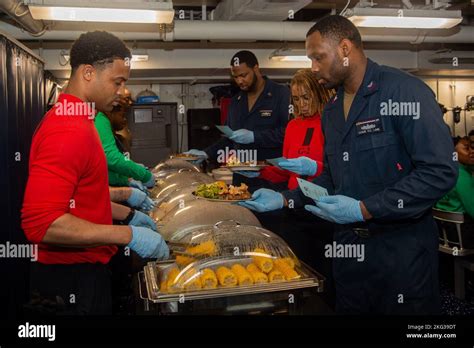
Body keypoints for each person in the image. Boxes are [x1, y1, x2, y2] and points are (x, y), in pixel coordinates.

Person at [240, 15, 458, 314]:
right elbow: (332, 176)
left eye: (319, 57)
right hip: (348, 252)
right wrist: (285, 198)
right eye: (310, 59)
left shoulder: (404, 92)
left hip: (400, 252)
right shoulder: (332, 110)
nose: (313, 67)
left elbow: (439, 172)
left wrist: (365, 209)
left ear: (345, 48)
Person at [21, 31, 169, 315]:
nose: (123, 91)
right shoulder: (68, 129)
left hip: (82, 271)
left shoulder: (81, 120)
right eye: (118, 81)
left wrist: (127, 211)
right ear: (88, 73)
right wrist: (126, 235)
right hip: (71, 279)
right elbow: (42, 224)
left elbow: (79, 198)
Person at [234, 68, 334, 192]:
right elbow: (285, 173)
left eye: (306, 98)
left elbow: (340, 172)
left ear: (319, 94)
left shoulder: (332, 123)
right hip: (295, 199)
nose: (301, 104)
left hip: (322, 199)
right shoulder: (292, 126)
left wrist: (315, 168)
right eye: (296, 99)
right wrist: (259, 171)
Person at [185, 50, 290, 163]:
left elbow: (288, 133)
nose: (240, 81)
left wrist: (255, 137)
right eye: (235, 77)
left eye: (243, 75)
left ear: (256, 68)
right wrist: (206, 153)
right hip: (241, 171)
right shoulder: (235, 102)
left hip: (272, 173)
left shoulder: (281, 94)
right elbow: (228, 138)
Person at [94, 99, 155, 191]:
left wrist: (125, 179)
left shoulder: (100, 120)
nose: (124, 119)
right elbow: (111, 157)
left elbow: (102, 169)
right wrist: (143, 174)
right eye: (122, 115)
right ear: (111, 112)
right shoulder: (100, 119)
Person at [436, 136, 474, 219]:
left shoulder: (443, 169)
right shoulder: (461, 176)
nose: (471, 151)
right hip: (465, 227)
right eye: (467, 148)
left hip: (446, 226)